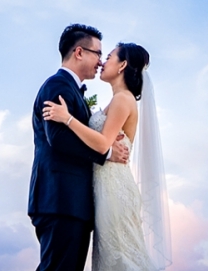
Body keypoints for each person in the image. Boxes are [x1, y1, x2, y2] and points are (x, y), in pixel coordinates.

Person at [42, 40, 172, 271]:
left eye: (109, 56)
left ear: (122, 65)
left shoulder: (123, 99)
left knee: (121, 257)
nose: (103, 61)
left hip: (115, 190)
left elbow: (102, 145)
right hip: (104, 188)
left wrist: (67, 118)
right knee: (111, 258)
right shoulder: (116, 100)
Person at [28, 24, 130, 271]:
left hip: (73, 202)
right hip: (60, 199)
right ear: (79, 52)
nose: (100, 61)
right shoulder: (57, 86)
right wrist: (106, 152)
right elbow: (59, 138)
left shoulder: (72, 90)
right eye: (97, 53)